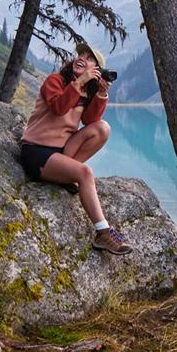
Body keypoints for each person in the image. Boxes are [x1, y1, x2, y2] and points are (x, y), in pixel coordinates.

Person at [20, 42, 131, 255]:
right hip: (36, 152)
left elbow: (91, 121)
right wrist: (80, 81)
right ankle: (103, 232)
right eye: (82, 55)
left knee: (102, 128)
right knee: (85, 173)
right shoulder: (56, 81)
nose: (83, 59)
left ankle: (65, 175)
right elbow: (59, 107)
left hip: (61, 152)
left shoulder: (84, 92)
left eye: (90, 59)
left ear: (96, 71)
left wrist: (100, 95)